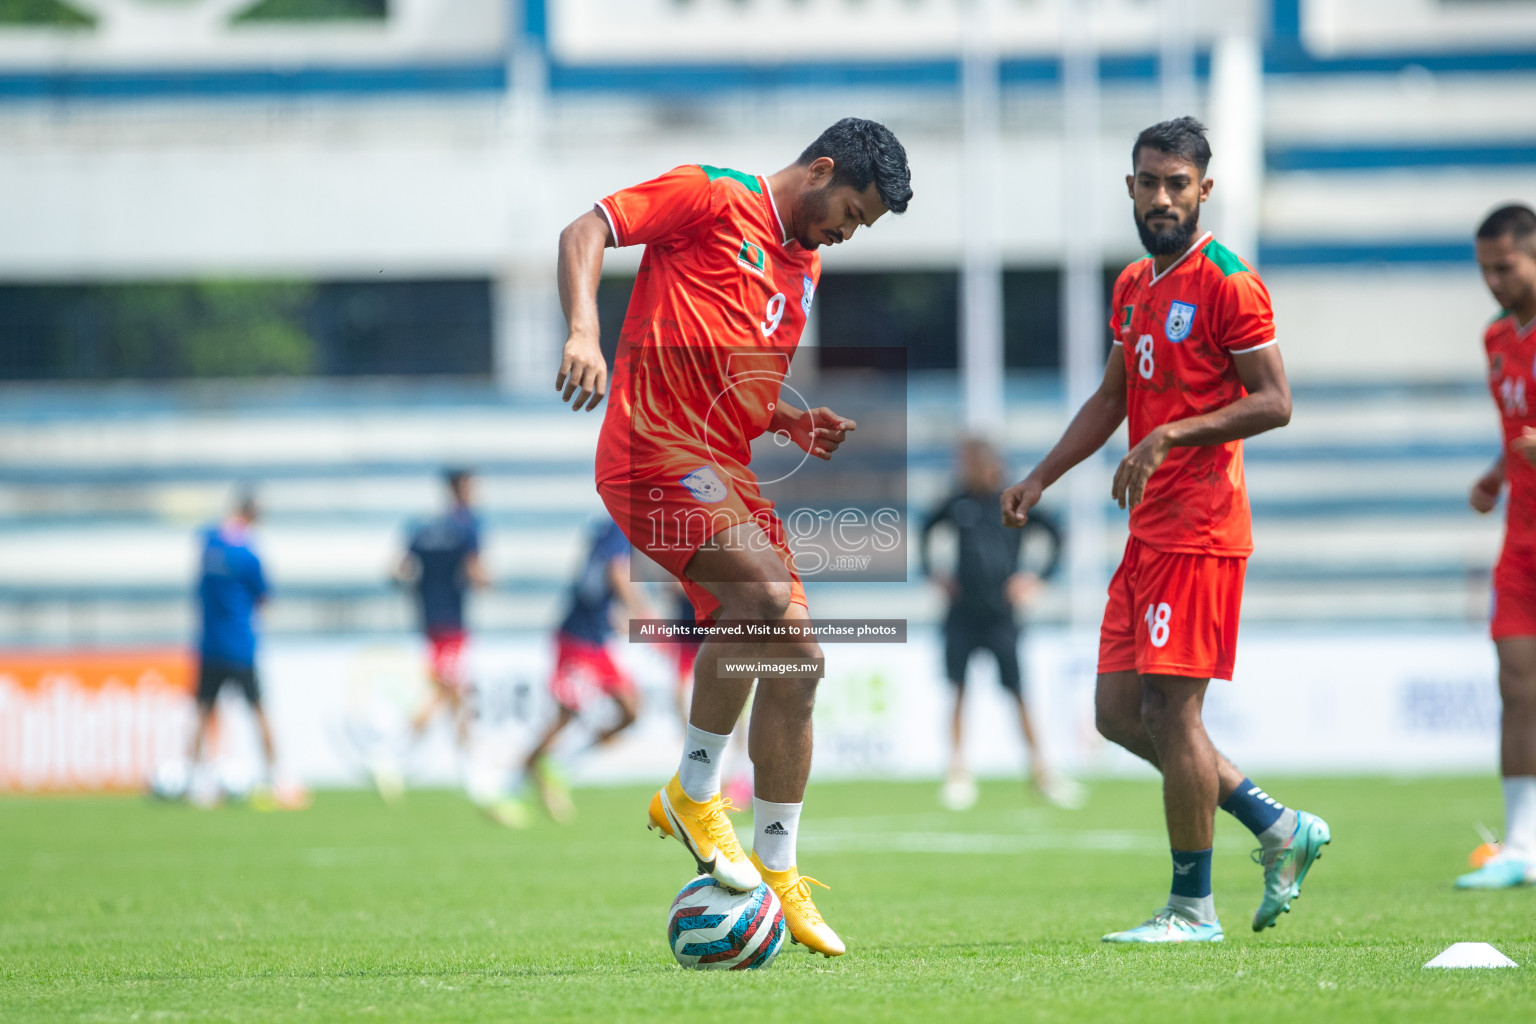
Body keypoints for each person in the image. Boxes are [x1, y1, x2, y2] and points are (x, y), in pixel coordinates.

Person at [555, 117, 913, 957]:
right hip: (651, 449)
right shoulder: (712, 195)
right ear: (821, 169)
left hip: (722, 466)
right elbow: (586, 229)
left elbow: (740, 375)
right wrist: (582, 330)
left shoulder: (804, 266)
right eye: (850, 214)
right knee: (760, 601)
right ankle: (693, 789)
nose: (846, 234)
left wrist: (790, 417)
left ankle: (781, 868)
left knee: (798, 659)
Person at [1001, 117, 1330, 943]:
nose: (1160, 197)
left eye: (1176, 184)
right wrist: (1042, 474)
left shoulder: (1229, 282)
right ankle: (1278, 825)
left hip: (1203, 528)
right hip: (1147, 531)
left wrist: (1171, 434)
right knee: (1119, 714)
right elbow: (1113, 398)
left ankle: (1193, 909)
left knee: (1173, 713)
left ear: (1203, 191)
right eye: (1148, 182)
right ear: (1130, 186)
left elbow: (1276, 402)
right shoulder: (1134, 284)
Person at [921, 436, 1078, 810]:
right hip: (962, 615)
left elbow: (1055, 534)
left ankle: (1042, 773)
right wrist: (933, 573)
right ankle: (958, 774)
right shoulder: (956, 502)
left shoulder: (1013, 500)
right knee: (958, 690)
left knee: (1019, 693)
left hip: (1002, 617)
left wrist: (1037, 578)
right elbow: (925, 530)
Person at [1458, 204, 1536, 889]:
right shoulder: (1497, 338)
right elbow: (1518, 426)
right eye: (1484, 268)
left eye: (1505, 267)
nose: (1493, 281)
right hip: (1522, 538)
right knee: (1515, 679)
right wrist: (1495, 472)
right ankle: (1521, 845)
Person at [517, 517, 651, 823]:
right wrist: (642, 611)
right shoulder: (619, 529)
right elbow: (616, 572)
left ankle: (563, 765)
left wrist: (612, 615)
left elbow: (596, 582)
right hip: (577, 639)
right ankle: (515, 780)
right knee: (566, 716)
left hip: (595, 640)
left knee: (631, 710)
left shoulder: (605, 529)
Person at [187, 490, 292, 808]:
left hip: (209, 644)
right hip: (240, 644)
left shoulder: (208, 542)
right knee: (258, 711)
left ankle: (193, 780)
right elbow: (264, 598)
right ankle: (277, 778)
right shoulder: (249, 554)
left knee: (204, 713)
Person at [396, 469, 489, 773]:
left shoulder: (424, 528)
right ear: (459, 489)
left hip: (429, 619)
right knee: (446, 688)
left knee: (456, 688)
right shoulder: (468, 528)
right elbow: (476, 573)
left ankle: (467, 756)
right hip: (453, 620)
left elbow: (398, 570)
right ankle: (397, 748)